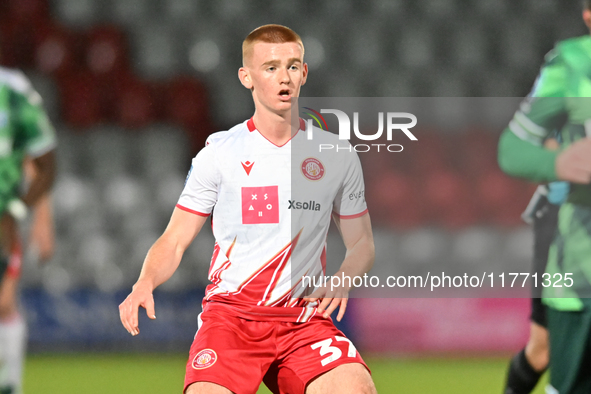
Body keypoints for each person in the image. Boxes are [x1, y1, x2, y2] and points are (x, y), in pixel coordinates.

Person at [119, 24, 377, 394]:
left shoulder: (336, 155)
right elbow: (175, 239)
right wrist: (145, 281)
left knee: (357, 390)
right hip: (232, 320)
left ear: (304, 73)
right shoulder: (219, 154)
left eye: (292, 66)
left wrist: (344, 277)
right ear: (247, 77)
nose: (283, 77)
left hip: (302, 321)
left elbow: (363, 243)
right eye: (270, 67)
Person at [498, 2, 591, 392]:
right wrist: (558, 162)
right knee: (542, 349)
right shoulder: (570, 65)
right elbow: (513, 148)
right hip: (575, 252)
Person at [0, 67, 57, 394]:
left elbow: (34, 156)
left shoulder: (13, 89)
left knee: (5, 302)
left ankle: (11, 385)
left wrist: (41, 216)